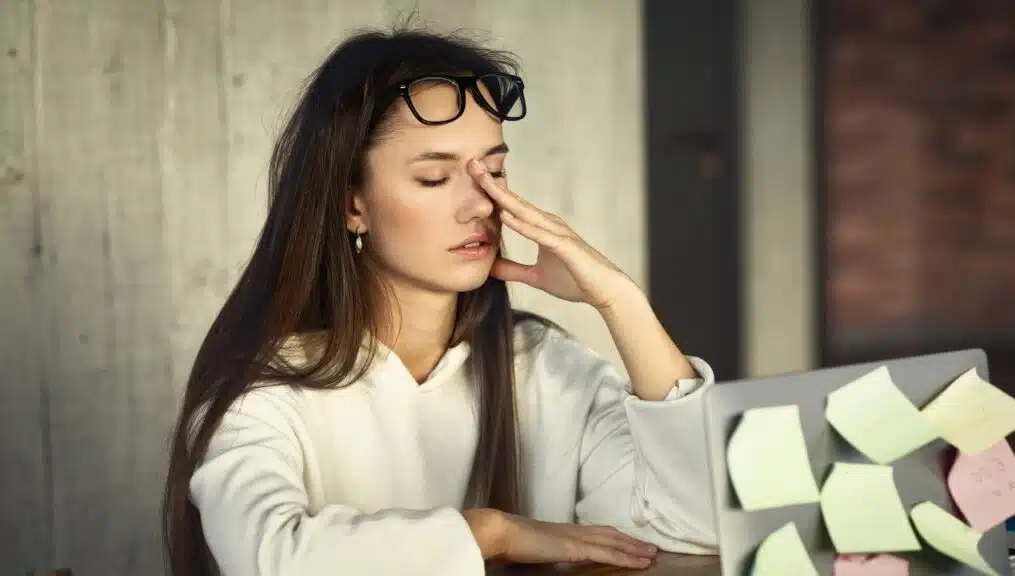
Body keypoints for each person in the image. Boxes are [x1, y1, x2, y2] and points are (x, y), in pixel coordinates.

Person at [162, 26, 718, 576]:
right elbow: (272, 560)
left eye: (494, 171)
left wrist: (621, 301)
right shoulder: (265, 390)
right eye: (434, 178)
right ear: (352, 204)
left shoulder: (545, 365)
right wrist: (491, 533)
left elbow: (697, 526)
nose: (480, 203)